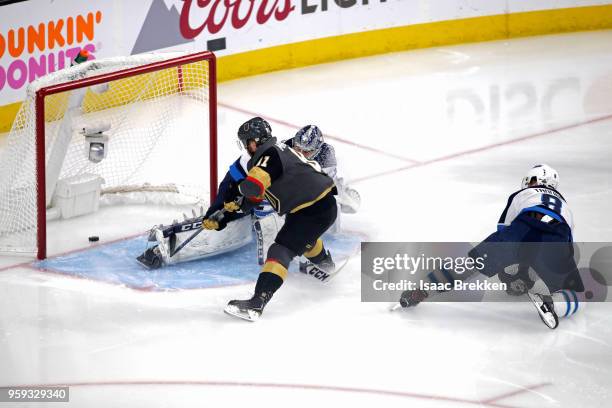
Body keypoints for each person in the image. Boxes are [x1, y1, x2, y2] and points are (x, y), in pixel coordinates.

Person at [398, 164, 584, 329]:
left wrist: (507, 266)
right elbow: (569, 247)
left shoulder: (523, 194)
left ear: (532, 181)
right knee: (577, 295)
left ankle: (422, 289)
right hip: (556, 239)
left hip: (522, 230)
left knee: (471, 264)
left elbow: (503, 228)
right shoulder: (566, 208)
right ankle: (555, 305)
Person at [214, 117, 338, 321]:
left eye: (247, 142)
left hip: (314, 209)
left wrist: (235, 194)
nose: (246, 147)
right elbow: (255, 197)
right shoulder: (277, 151)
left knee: (281, 250)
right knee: (302, 240)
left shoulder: (269, 154)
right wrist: (230, 211)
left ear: (254, 142)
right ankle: (325, 264)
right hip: (316, 207)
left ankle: (257, 302)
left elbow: (253, 186)